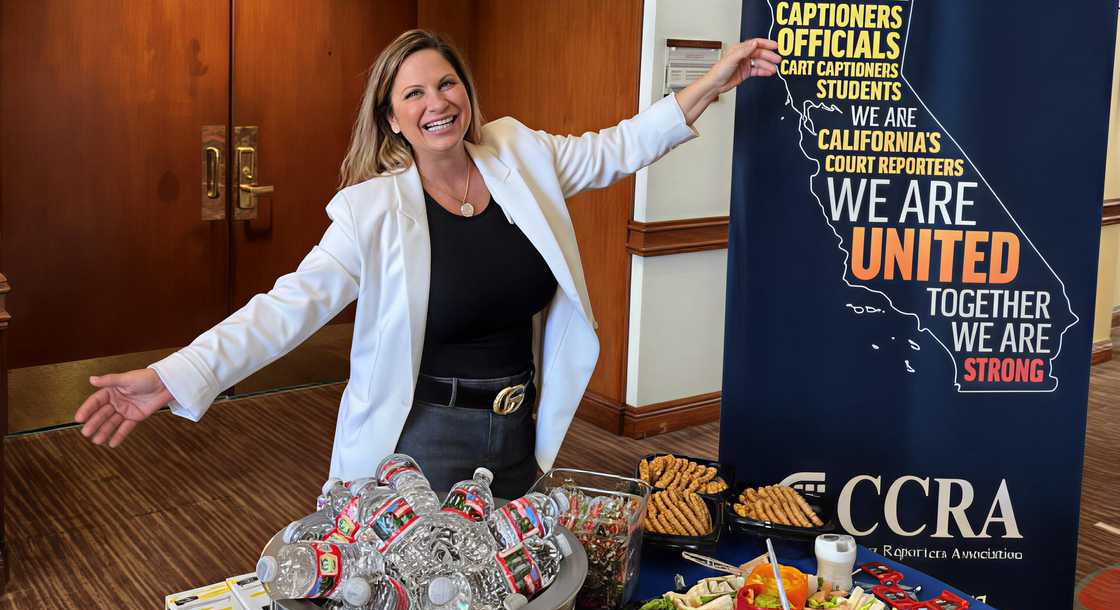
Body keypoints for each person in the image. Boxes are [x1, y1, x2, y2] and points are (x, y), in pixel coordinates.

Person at [74, 30, 780, 498]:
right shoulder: (372, 211)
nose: (436, 103)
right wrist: (172, 376)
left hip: (520, 425)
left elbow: (620, 146)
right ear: (391, 118)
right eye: (413, 93)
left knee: (502, 600)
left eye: (446, 85)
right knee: (421, 609)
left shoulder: (519, 154)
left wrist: (715, 81)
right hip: (422, 440)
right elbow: (285, 309)